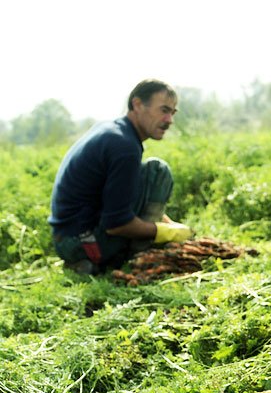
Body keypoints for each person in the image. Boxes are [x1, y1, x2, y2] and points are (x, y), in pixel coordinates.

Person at [49, 79, 193, 274]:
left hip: (65, 238)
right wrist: (165, 232)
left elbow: (123, 195)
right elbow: (116, 225)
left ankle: (103, 255)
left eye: (172, 113)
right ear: (137, 104)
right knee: (159, 172)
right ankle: (135, 254)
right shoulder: (124, 146)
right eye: (164, 110)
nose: (169, 120)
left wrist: (168, 224)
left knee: (151, 171)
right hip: (81, 241)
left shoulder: (115, 131)